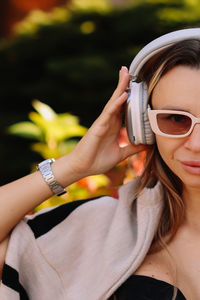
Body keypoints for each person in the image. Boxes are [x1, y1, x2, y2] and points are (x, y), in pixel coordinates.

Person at [1, 27, 200, 300]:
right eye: (176, 119)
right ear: (144, 124)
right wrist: (73, 166)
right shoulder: (96, 229)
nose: (196, 144)